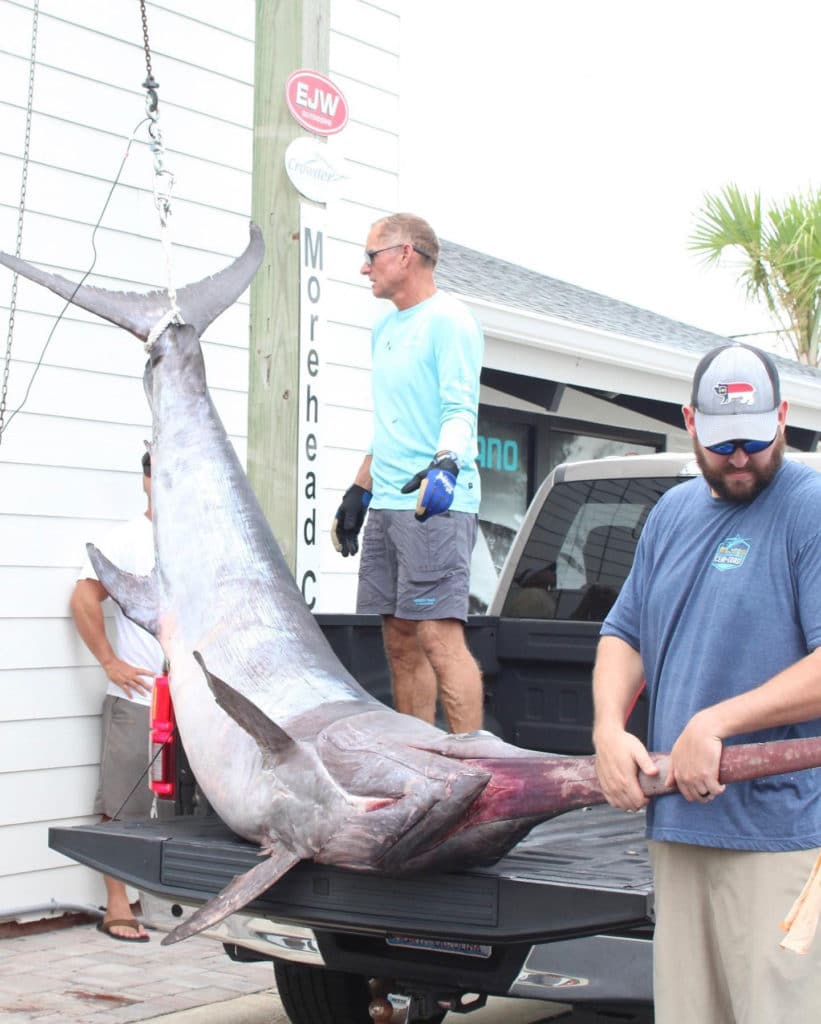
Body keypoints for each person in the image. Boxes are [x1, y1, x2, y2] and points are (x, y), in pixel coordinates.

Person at [592, 342, 821, 1023]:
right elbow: (624, 633)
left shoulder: (807, 510)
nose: (741, 457)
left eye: (756, 438)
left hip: (779, 833)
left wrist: (714, 722)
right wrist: (608, 727)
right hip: (679, 825)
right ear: (689, 422)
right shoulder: (670, 514)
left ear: (782, 416)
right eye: (724, 443)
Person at [332, 212, 484, 734]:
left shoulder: (450, 320)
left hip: (435, 501)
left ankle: (474, 767)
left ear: (405, 254)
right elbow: (390, 423)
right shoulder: (385, 327)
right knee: (398, 641)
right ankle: (418, 759)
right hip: (390, 506)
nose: (363, 267)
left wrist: (446, 464)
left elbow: (459, 410)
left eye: (371, 255)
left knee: (439, 639)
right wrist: (360, 488)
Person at [70, 450, 163, 942]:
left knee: (182, 807)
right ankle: (116, 903)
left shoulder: (196, 537)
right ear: (145, 479)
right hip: (138, 697)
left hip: (191, 703)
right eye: (156, 472)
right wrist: (110, 661)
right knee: (123, 798)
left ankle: (168, 897)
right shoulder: (126, 539)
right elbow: (83, 597)